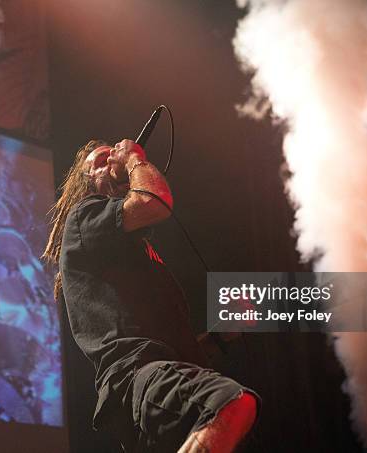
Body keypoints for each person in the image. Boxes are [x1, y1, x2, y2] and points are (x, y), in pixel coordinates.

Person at [44, 138, 260, 452]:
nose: (111, 158)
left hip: (157, 382)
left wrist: (216, 340)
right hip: (138, 378)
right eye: (102, 159)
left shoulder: (132, 252)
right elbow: (153, 202)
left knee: (233, 419)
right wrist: (132, 158)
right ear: (86, 178)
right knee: (230, 403)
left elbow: (164, 344)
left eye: (113, 154)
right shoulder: (84, 216)